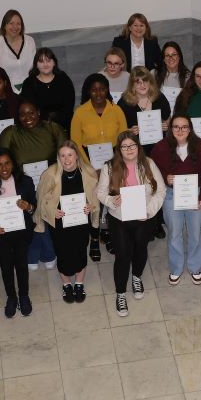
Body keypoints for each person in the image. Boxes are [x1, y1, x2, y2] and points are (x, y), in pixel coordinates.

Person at [96, 132, 165, 316]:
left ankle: (136, 277)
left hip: (144, 217)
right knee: (123, 255)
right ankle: (120, 293)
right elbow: (100, 192)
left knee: (140, 248)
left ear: (138, 147)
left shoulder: (148, 163)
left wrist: (149, 211)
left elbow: (161, 191)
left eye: (132, 145)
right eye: (124, 146)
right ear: (119, 150)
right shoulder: (109, 167)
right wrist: (111, 201)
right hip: (119, 219)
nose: (129, 149)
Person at [0, 100, 64, 270]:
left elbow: (65, 153)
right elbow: (1, 159)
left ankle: (48, 253)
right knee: (31, 217)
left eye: (31, 112)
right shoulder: (10, 132)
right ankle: (35, 254)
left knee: (47, 216)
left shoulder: (52, 128)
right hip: (22, 183)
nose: (27, 117)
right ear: (17, 116)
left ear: (38, 112)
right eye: (22, 114)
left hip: (50, 182)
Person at [70, 73, 128, 260]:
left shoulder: (116, 110)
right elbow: (75, 143)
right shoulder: (80, 113)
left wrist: (115, 164)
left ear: (107, 90)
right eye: (94, 90)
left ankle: (109, 233)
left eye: (102, 89)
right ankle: (94, 237)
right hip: (88, 163)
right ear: (88, 91)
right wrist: (90, 167)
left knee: (113, 197)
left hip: (114, 161)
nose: (98, 93)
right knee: (94, 199)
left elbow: (124, 138)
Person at [36, 141, 99, 303]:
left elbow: (96, 197)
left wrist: (90, 206)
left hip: (81, 221)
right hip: (59, 223)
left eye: (70, 155)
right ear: (58, 157)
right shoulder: (50, 174)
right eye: (62, 156)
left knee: (81, 250)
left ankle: (79, 283)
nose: (66, 159)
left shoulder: (88, 172)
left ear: (77, 155)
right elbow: (40, 199)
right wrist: (52, 211)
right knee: (62, 253)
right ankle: (66, 284)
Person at [150, 115, 201, 285]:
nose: (180, 130)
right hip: (171, 195)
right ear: (170, 129)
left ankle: (195, 266)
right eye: (176, 127)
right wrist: (164, 178)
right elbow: (152, 173)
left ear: (190, 129)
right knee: (174, 233)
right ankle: (176, 267)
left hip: (196, 194)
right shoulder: (160, 148)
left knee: (195, 233)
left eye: (184, 127)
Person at [0, 149, 36, 317]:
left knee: (22, 264)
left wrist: (28, 206)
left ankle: (24, 295)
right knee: (6, 265)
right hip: (0, 233)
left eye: (7, 163)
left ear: (13, 164)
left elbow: (34, 205)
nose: (4, 168)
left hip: (21, 231)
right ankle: (11, 297)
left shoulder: (25, 181)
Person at [20, 48, 75, 132]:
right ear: (36, 64)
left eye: (48, 61)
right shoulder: (29, 83)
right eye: (41, 61)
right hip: (38, 127)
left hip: (64, 125)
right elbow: (30, 109)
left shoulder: (63, 78)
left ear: (54, 63)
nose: (45, 64)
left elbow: (69, 104)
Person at [119, 66, 172, 152]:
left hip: (158, 147)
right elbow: (119, 128)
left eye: (145, 81)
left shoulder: (159, 97)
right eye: (138, 82)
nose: (142, 85)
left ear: (150, 82)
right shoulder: (124, 102)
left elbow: (168, 119)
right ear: (132, 85)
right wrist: (129, 131)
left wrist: (166, 125)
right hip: (134, 148)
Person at [0, 8, 38, 92]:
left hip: (31, 86)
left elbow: (35, 67)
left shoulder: (30, 41)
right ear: (4, 25)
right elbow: (0, 73)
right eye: (11, 23)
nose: (15, 27)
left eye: (18, 24)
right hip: (8, 89)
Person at [156, 41, 192, 111]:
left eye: (174, 54)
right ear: (163, 59)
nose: (171, 58)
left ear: (179, 57)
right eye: (167, 55)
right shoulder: (154, 74)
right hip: (161, 116)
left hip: (181, 115)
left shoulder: (188, 77)